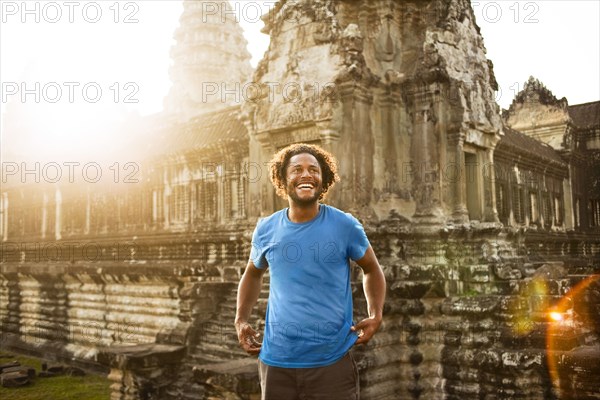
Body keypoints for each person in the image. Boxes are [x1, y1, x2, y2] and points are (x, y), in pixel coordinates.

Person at [235, 143, 386, 400]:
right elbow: (252, 273)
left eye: (313, 170)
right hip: (276, 361)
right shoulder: (266, 229)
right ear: (283, 180)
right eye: (296, 170)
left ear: (323, 179)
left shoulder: (345, 225)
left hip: (331, 361)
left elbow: (371, 269)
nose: (306, 175)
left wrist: (376, 314)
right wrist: (241, 319)